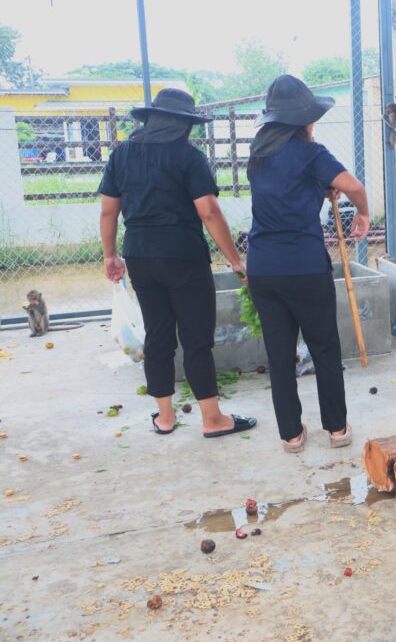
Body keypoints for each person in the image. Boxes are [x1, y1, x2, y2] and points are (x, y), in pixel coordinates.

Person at [98, 87, 257, 437]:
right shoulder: (188, 156)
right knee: (196, 338)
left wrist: (110, 254)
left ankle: (165, 417)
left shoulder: (122, 154)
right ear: (184, 123)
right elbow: (209, 211)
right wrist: (235, 260)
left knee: (158, 335)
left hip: (140, 255)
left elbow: (109, 211)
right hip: (183, 256)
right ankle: (212, 420)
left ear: (152, 118)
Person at [245, 75, 370, 453]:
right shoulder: (312, 153)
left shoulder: (257, 155)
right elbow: (354, 187)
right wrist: (362, 213)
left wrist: (320, 187)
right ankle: (336, 429)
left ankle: (292, 435)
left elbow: (286, 190)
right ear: (304, 120)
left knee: (279, 353)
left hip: (263, 268)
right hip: (304, 265)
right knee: (324, 347)